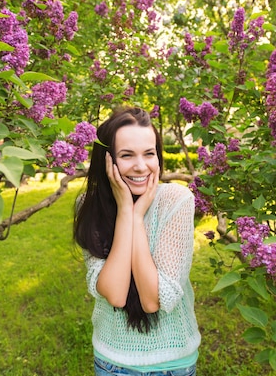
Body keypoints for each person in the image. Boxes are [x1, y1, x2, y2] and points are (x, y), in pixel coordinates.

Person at [74, 107, 201, 376]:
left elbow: (153, 300)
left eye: (149, 153)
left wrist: (138, 214)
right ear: (108, 161)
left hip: (172, 363)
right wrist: (125, 212)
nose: (141, 166)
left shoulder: (176, 201)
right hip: (112, 361)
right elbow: (115, 294)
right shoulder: (88, 205)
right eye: (126, 155)